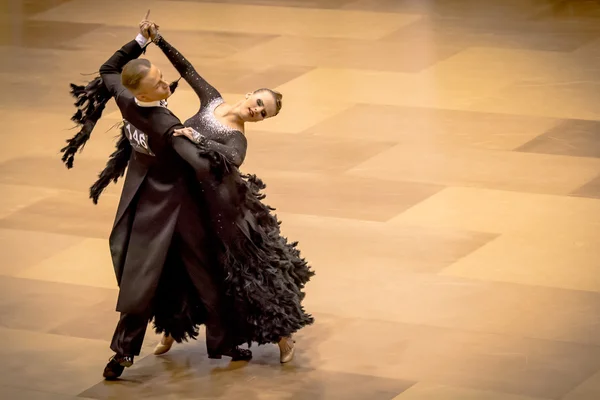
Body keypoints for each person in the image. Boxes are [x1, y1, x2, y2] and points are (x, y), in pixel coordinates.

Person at [61, 14, 251, 380]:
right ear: (143, 94)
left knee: (143, 276)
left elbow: (108, 68)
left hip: (144, 197)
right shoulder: (165, 126)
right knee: (198, 269)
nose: (167, 85)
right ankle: (211, 342)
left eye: (162, 77)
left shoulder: (125, 96)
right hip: (174, 204)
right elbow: (200, 164)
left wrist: (140, 40)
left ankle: (127, 353)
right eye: (159, 85)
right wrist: (211, 144)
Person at [142, 24, 314, 364]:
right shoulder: (212, 100)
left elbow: (230, 159)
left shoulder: (238, 138)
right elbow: (187, 69)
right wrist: (157, 39)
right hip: (187, 200)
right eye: (259, 103)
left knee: (249, 274)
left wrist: (197, 138)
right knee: (181, 266)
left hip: (223, 211)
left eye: (265, 113)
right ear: (250, 94)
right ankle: (172, 330)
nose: (258, 111)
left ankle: (283, 336)